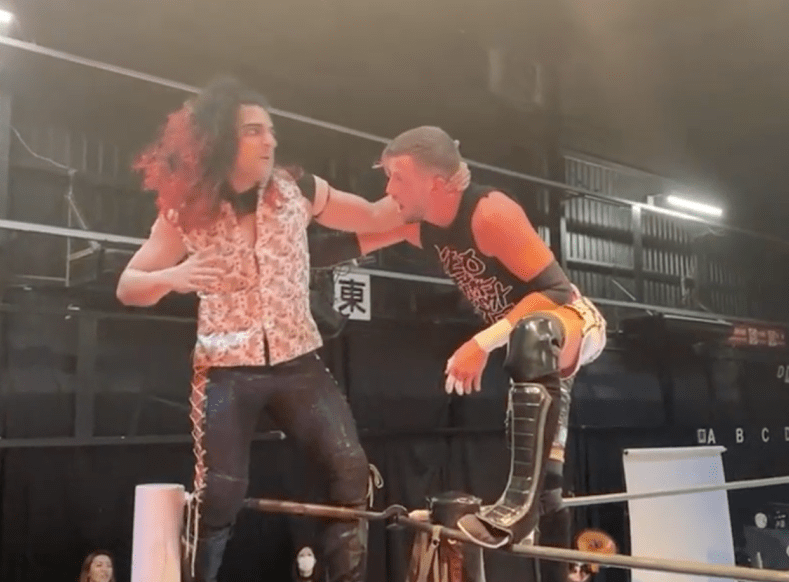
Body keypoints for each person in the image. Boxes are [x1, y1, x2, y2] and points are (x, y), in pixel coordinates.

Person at [116, 76, 402, 582]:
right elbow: (128, 286)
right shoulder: (187, 211)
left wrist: (429, 195)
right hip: (227, 368)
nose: (270, 140)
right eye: (254, 130)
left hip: (298, 360)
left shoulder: (299, 190)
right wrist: (174, 277)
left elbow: (375, 215)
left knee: (350, 467)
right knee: (220, 492)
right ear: (221, 139)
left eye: (270, 130)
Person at [317, 126, 608, 577]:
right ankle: (555, 557)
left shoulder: (490, 213)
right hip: (529, 346)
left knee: (532, 335)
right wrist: (272, 244)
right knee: (550, 484)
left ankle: (519, 510)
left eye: (397, 177)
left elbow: (554, 291)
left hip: (569, 321)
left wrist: (482, 342)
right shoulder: (420, 225)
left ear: (435, 183)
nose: (389, 189)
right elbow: (350, 239)